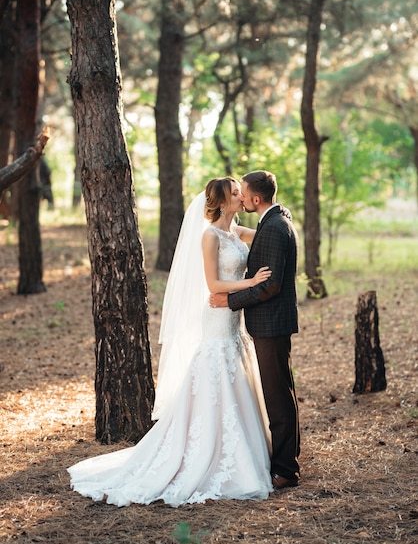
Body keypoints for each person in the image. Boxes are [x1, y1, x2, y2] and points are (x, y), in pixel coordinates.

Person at [67, 177, 274, 507]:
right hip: (218, 317)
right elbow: (213, 283)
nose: (241, 196)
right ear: (221, 202)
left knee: (237, 372)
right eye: (235, 193)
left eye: (241, 192)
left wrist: (281, 215)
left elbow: (267, 231)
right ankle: (205, 449)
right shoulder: (210, 236)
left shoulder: (237, 231)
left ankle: (243, 448)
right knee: (215, 374)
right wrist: (251, 282)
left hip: (235, 321)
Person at [210, 170, 300, 490]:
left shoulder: (274, 227)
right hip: (267, 322)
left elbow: (271, 285)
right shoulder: (272, 222)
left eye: (244, 193)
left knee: (277, 396)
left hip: (271, 321)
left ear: (256, 199)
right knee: (278, 392)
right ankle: (286, 459)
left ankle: (286, 469)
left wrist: (231, 300)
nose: (242, 197)